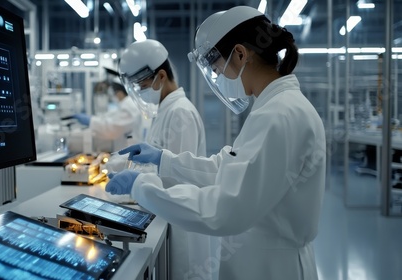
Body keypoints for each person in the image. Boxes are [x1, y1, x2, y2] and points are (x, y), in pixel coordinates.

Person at [106, 6, 326, 280]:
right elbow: (228, 168)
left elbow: (224, 210)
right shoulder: (273, 108)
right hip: (259, 259)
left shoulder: (280, 115)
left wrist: (141, 187)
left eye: (215, 67)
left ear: (241, 54)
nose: (217, 77)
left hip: (271, 267)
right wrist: (165, 159)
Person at [118, 39, 219, 280]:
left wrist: (138, 182)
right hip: (166, 217)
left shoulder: (180, 113)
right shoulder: (165, 110)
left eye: (142, 85)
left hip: (180, 226)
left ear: (160, 76)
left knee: (183, 272)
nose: (141, 92)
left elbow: (175, 179)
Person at [67, 79, 143, 151]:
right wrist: (92, 120)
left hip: (128, 151)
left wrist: (90, 121)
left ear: (119, 93)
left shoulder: (129, 106)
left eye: (113, 95)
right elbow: (109, 118)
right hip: (124, 149)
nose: (112, 98)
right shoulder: (125, 105)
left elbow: (112, 128)